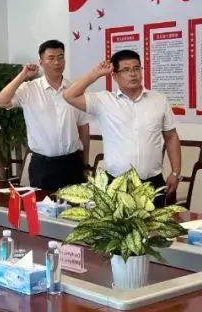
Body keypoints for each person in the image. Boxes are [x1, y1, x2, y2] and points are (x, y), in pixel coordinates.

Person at [63, 50, 181, 207]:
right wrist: (95, 73)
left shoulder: (159, 100)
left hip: (152, 182)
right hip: (116, 184)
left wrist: (175, 172)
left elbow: (171, 136)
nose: (133, 74)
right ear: (114, 76)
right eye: (126, 70)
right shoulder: (104, 101)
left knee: (155, 223)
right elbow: (69, 95)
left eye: (136, 68)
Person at [0, 40, 90, 191]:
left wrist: (85, 163)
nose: (57, 62)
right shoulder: (29, 89)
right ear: (41, 62)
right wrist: (22, 75)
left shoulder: (75, 90)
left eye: (60, 57)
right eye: (51, 58)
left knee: (75, 205)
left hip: (72, 162)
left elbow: (84, 128)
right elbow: (1, 101)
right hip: (42, 165)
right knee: (43, 204)